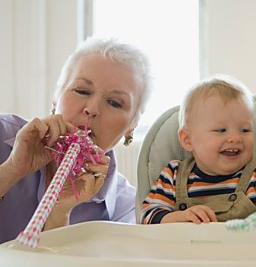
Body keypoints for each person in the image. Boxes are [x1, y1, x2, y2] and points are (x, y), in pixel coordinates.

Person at [0, 37, 153, 244]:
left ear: (131, 127)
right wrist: (12, 169)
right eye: (81, 91)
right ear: (56, 98)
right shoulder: (3, 133)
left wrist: (59, 213)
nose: (92, 109)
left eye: (115, 103)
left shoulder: (125, 209)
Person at [141, 76, 256, 224]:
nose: (235, 138)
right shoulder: (172, 176)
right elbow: (147, 216)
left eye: (245, 130)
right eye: (220, 130)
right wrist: (181, 218)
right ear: (188, 140)